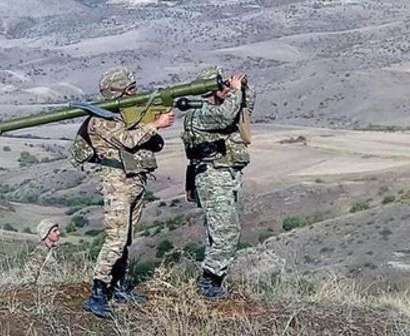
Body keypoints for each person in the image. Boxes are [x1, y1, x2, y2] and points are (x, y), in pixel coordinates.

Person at [69, 66, 175, 318]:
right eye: (130, 89)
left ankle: (118, 286)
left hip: (134, 180)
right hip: (116, 182)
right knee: (115, 239)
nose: (134, 93)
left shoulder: (121, 115)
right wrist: (155, 125)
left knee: (126, 238)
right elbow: (127, 141)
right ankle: (97, 292)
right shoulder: (100, 120)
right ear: (119, 91)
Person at [181, 65, 255, 299]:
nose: (226, 88)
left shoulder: (221, 108)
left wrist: (243, 88)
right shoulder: (200, 113)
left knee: (220, 231)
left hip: (226, 175)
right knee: (226, 231)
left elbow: (245, 109)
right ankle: (209, 282)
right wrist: (233, 93)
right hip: (212, 176)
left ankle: (211, 281)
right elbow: (225, 116)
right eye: (221, 85)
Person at [22, 218, 62, 284]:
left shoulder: (55, 251)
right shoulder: (38, 253)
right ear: (46, 233)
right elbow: (29, 278)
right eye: (54, 231)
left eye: (58, 230)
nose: (58, 233)